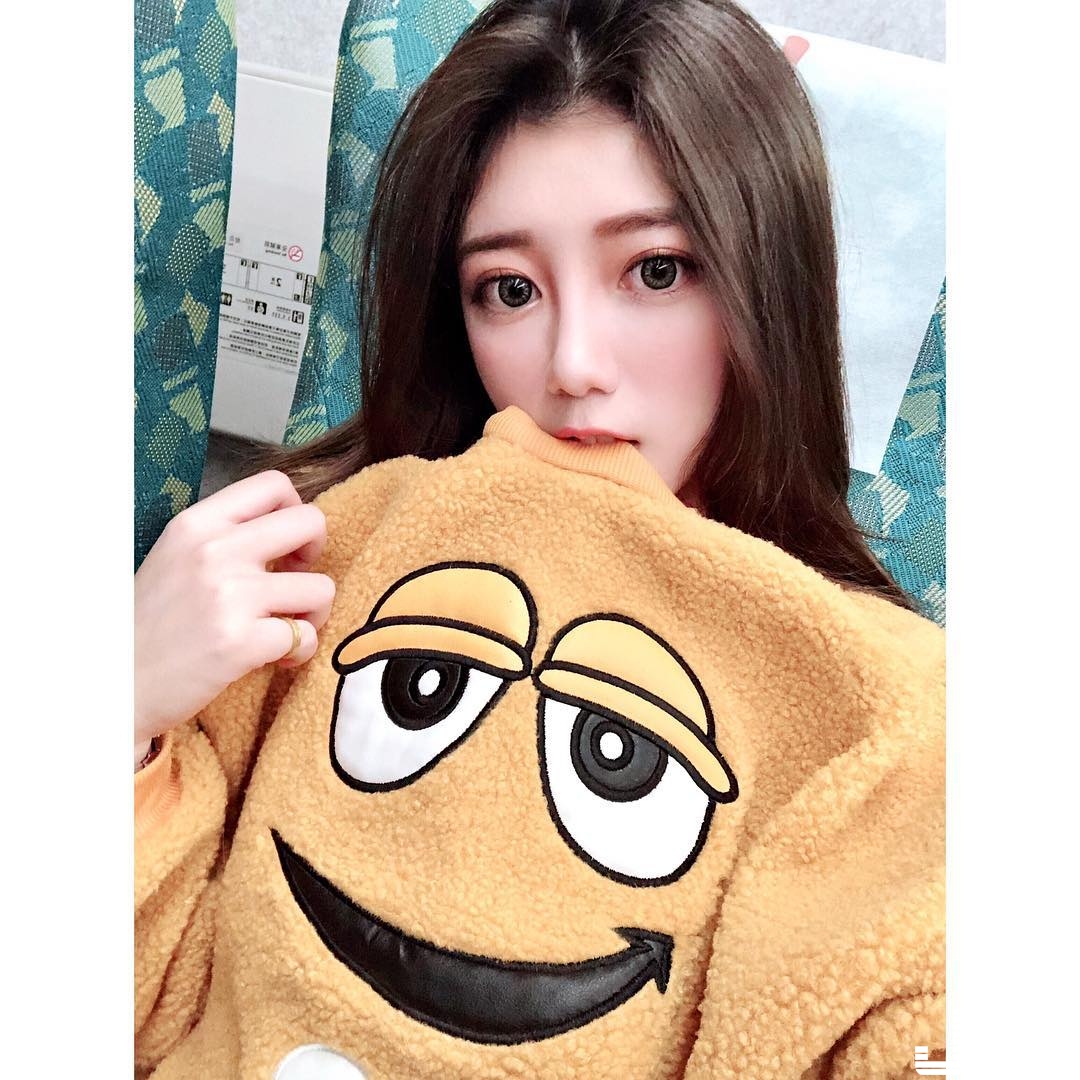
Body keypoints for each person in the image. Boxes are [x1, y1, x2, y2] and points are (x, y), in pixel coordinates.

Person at [135, 2, 944, 1077]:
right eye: (508, 290)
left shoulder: (875, 698)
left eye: (657, 269)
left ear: (765, 275)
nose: (573, 364)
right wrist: (117, 708)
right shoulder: (315, 563)